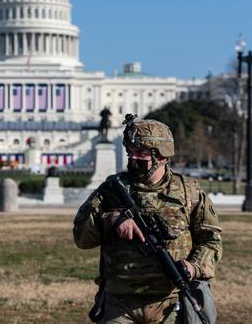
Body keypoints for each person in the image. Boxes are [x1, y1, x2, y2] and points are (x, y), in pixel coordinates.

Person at [73, 114, 222, 324]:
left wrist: (192, 266)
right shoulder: (111, 191)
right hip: (119, 303)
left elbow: (211, 239)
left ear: (162, 156)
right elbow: (81, 238)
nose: (133, 159)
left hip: (170, 304)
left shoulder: (189, 192)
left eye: (141, 153)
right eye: (130, 152)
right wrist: (110, 220)